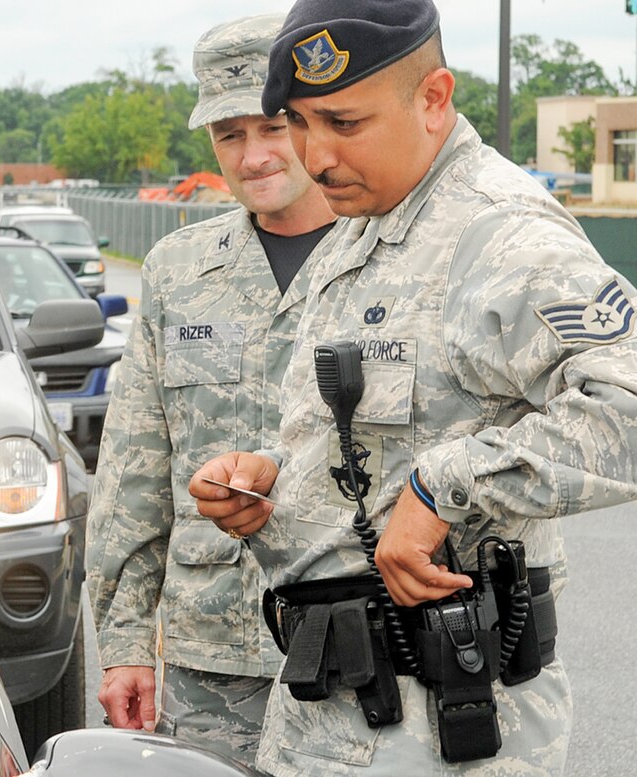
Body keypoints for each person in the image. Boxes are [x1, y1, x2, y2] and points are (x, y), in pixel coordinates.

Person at [189, 1, 637, 774]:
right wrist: (273, 474)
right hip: (335, 714)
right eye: (298, 122)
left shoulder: (498, 232)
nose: (315, 155)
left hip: (444, 726)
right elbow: (384, 428)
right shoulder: (366, 221)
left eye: (344, 122)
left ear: (433, 98)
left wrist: (443, 487)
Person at [85, 13, 336, 768]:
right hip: (213, 661)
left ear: (311, 121)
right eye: (230, 135)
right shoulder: (178, 271)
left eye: (272, 127)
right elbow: (134, 468)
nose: (253, 155)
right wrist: (126, 644)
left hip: (360, 643)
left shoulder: (389, 256)